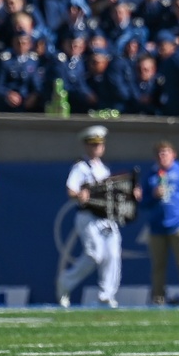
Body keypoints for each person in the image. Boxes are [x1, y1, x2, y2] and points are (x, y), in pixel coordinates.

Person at [57, 126, 140, 308]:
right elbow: (71, 189)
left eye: (99, 145)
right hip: (88, 217)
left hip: (106, 218)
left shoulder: (104, 169)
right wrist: (79, 195)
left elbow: (114, 194)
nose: (96, 148)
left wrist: (132, 193)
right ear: (86, 146)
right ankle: (66, 282)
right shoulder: (81, 167)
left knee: (112, 254)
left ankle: (107, 295)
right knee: (95, 254)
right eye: (92, 145)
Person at [141, 140, 179, 306]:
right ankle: (158, 299)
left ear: (174, 154)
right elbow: (143, 203)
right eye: (159, 153)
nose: (162, 156)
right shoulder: (152, 176)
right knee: (158, 267)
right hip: (157, 228)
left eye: (165, 152)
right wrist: (153, 195)